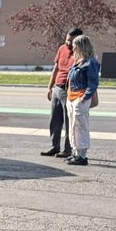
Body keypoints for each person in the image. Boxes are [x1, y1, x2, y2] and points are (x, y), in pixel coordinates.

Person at [42, 27, 83, 157]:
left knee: (69, 121)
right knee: (54, 119)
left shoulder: (81, 53)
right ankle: (55, 146)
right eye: (67, 40)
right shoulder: (61, 49)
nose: (68, 43)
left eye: (71, 41)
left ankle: (67, 149)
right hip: (57, 89)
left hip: (70, 90)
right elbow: (56, 68)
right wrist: (50, 87)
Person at [65, 34, 100, 166]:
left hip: (80, 98)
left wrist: (84, 98)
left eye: (75, 47)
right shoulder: (77, 62)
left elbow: (93, 82)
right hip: (71, 98)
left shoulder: (90, 62)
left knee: (81, 127)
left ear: (81, 47)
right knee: (72, 126)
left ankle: (82, 155)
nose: (73, 49)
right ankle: (75, 152)